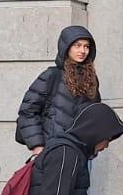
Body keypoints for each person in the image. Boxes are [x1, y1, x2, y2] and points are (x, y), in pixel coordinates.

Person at [16, 25, 101, 153]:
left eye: (86, 46)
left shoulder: (91, 79)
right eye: (77, 45)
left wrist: (95, 144)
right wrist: (37, 146)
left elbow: (94, 115)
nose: (83, 51)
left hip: (81, 151)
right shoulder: (52, 75)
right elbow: (27, 111)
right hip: (52, 149)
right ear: (66, 47)